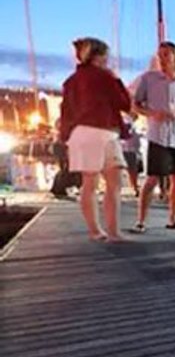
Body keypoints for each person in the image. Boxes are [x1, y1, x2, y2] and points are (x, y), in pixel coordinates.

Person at [60, 37, 132, 241]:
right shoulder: (105, 77)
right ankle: (113, 232)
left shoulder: (71, 81)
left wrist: (65, 137)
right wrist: (116, 79)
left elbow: (66, 111)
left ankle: (95, 231)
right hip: (104, 131)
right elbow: (124, 102)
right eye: (106, 57)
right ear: (99, 57)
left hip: (82, 133)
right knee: (113, 183)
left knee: (89, 184)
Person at [131, 40, 175, 233]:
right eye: (159, 55)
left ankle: (173, 218)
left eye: (165, 55)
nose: (161, 59)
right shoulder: (148, 79)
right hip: (159, 136)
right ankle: (141, 221)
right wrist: (153, 114)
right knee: (152, 178)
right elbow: (136, 105)